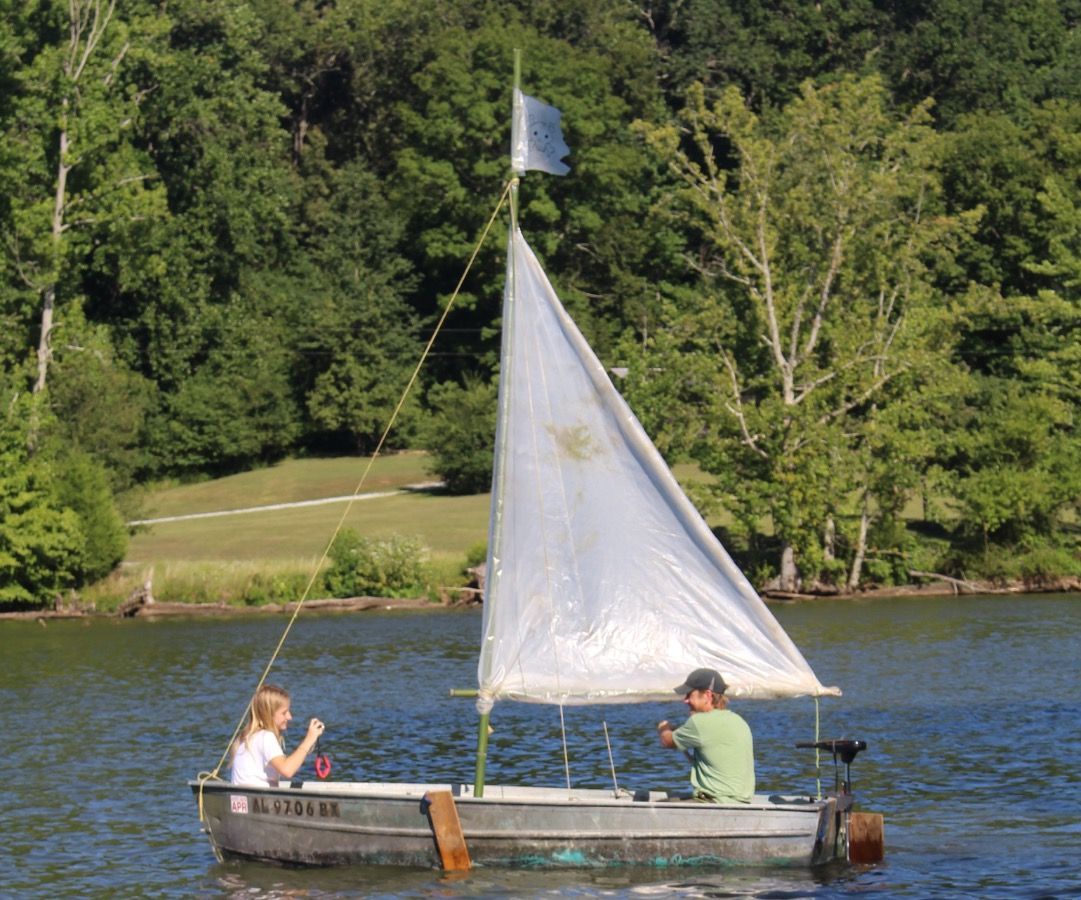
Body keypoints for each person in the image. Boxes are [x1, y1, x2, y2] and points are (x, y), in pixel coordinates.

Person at [656, 667, 755, 803]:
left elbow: (667, 741)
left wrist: (664, 728)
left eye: (689, 694)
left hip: (716, 802)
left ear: (707, 695)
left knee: (657, 806)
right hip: (741, 801)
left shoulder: (699, 722)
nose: (685, 700)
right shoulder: (739, 721)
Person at [230, 683, 325, 786]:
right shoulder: (265, 737)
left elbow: (288, 767)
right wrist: (309, 739)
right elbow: (287, 770)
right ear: (269, 715)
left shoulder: (248, 737)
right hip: (256, 799)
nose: (290, 717)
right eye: (284, 713)